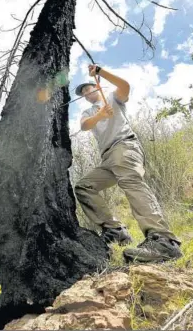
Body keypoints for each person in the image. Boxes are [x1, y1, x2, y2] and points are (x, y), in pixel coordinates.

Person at [74, 64, 182, 263]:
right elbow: (84, 126)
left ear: (98, 87)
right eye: (84, 92)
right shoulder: (88, 112)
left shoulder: (114, 98)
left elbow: (125, 86)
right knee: (83, 187)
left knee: (131, 183)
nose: (88, 93)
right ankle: (116, 231)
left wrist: (100, 72)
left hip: (124, 147)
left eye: (90, 88)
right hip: (107, 158)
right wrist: (100, 115)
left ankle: (163, 241)